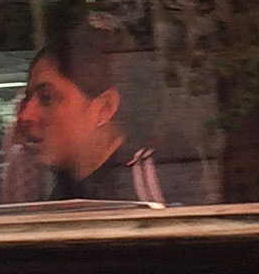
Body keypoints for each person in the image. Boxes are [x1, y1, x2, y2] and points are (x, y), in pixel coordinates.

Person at [20, 14, 174, 203]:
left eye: (46, 99)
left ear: (105, 108)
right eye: (27, 99)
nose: (26, 115)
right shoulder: (69, 188)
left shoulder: (154, 188)